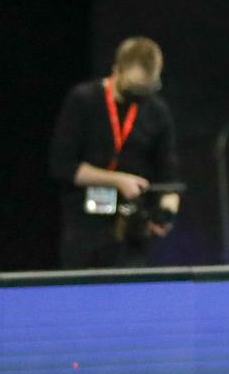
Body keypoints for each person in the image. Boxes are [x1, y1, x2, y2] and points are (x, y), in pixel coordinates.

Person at [47, 37, 179, 270]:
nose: (139, 96)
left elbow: (169, 181)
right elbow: (62, 166)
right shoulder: (83, 100)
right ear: (116, 71)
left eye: (146, 90)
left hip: (131, 230)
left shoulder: (157, 112)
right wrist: (118, 181)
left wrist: (166, 213)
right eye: (134, 89)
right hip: (84, 226)